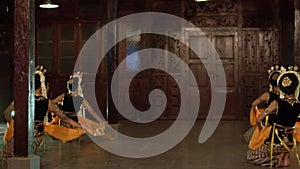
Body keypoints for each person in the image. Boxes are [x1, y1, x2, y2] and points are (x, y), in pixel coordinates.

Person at [1, 65, 82, 160]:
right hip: (38, 137)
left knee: (7, 155)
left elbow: (6, 113)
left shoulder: (21, 100)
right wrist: (78, 126)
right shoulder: (47, 102)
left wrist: (14, 125)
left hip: (22, 135)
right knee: (27, 156)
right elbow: (64, 117)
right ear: (43, 85)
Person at [247, 66, 300, 167]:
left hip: (275, 142)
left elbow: (259, 119)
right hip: (289, 143)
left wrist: (260, 127)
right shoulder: (298, 104)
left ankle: (276, 159)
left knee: (251, 156)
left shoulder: (276, 103)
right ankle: (285, 154)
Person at [48, 72, 112, 141]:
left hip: (64, 121)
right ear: (78, 86)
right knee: (93, 126)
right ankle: (106, 134)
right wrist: (101, 120)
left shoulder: (64, 96)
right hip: (75, 120)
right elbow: (92, 112)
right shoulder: (81, 99)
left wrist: (58, 109)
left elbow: (52, 102)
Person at [243, 65, 282, 142]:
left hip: (268, 127)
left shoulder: (267, 95)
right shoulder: (287, 98)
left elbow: (254, 104)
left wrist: (259, 112)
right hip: (284, 129)